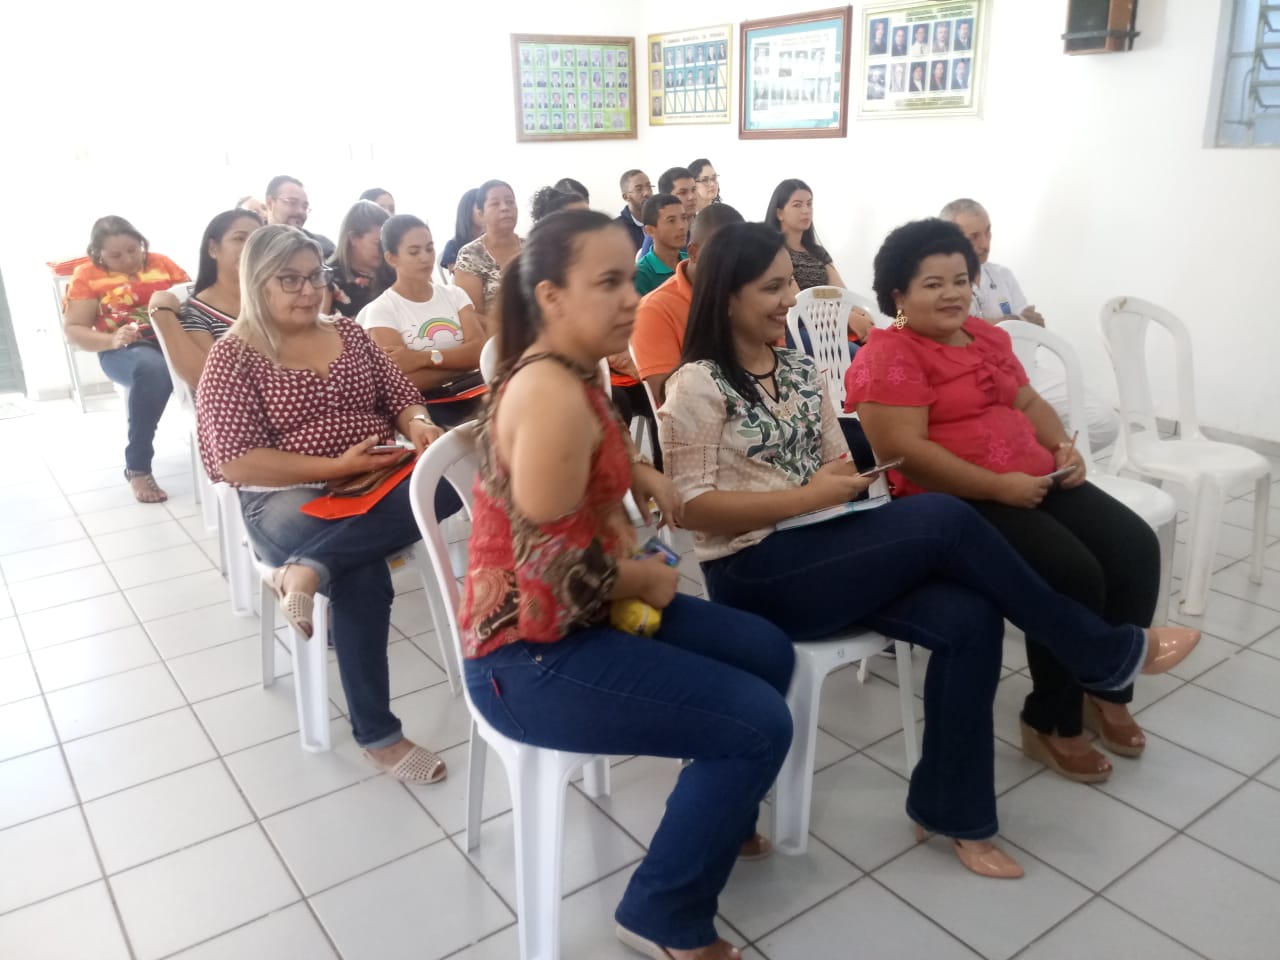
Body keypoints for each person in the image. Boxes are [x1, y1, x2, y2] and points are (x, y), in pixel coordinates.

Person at [659, 221, 1200, 880]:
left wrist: (849, 491)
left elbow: (837, 464)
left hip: (823, 545)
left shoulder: (799, 369)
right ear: (726, 298)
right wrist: (808, 499)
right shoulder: (698, 383)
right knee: (942, 516)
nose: (787, 300)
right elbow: (689, 509)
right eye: (771, 288)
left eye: (788, 284)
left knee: (970, 618)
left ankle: (953, 812)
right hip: (755, 569)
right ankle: (1103, 649)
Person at [459, 208, 795, 960]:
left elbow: (582, 486)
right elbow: (546, 581)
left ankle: (718, 813)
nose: (629, 299)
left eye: (628, 278)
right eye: (606, 282)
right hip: (527, 658)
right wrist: (642, 573)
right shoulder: (547, 394)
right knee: (758, 723)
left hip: (587, 620)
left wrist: (636, 468)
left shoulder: (578, 370)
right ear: (551, 296)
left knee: (767, 652)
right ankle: (661, 914)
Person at [847, 218, 1163, 781]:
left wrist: (1062, 446)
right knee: (1074, 573)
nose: (952, 293)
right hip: (954, 502)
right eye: (933, 283)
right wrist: (1000, 487)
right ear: (898, 294)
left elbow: (1030, 401)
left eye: (961, 279)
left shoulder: (987, 336)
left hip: (1033, 476)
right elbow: (905, 455)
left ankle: (1107, 689)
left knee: (1135, 546)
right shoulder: (887, 354)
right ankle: (1050, 721)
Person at [196, 224, 461, 783]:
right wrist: (335, 469)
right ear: (256, 282)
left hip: (374, 475)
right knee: (362, 573)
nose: (306, 290)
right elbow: (237, 462)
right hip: (284, 494)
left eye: (314, 276)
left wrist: (416, 426)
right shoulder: (233, 357)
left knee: (447, 481)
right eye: (288, 280)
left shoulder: (349, 333)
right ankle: (379, 736)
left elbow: (402, 397)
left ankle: (307, 568)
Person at [939, 198, 1120, 450]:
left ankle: (1047, 460)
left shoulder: (1002, 276)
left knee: (1105, 421)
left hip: (1022, 369)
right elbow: (939, 331)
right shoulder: (935, 282)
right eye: (973, 237)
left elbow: (1030, 331)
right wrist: (1008, 322)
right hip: (973, 381)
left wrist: (1009, 325)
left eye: (987, 231)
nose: (984, 244)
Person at [62, 216, 188, 503]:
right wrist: (112, 339)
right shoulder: (86, 275)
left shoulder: (163, 263)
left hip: (171, 342)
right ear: (98, 253)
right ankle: (138, 466)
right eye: (116, 255)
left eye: (134, 250)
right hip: (122, 351)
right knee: (153, 369)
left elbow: (192, 299)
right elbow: (73, 331)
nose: (129, 259)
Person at [359, 215, 486, 429]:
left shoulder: (454, 295)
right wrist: (461, 366)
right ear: (391, 258)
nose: (425, 258)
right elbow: (400, 383)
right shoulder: (382, 310)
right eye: (414, 251)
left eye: (429, 248)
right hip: (428, 408)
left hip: (476, 392)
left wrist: (421, 359)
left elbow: (479, 352)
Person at [632, 204, 743, 405]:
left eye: (741, 257)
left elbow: (774, 368)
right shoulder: (654, 309)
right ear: (693, 252)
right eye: (724, 256)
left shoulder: (746, 293)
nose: (734, 267)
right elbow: (672, 400)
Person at [148, 209, 262, 391]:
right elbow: (209, 380)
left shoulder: (273, 301)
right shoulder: (195, 314)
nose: (250, 247)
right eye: (240, 239)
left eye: (258, 240)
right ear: (213, 248)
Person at [454, 179, 522, 330]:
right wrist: (510, 332)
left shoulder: (531, 248)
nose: (505, 208)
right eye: (495, 203)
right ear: (480, 213)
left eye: (510, 202)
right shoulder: (470, 255)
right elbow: (471, 314)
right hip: (496, 339)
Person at [328, 200, 393, 320]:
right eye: (378, 243)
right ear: (353, 238)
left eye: (387, 244)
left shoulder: (393, 275)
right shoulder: (329, 281)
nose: (384, 250)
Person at [264, 175, 334, 260]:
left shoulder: (324, 247)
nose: (300, 211)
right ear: (270, 203)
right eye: (292, 203)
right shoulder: (252, 243)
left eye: (304, 207)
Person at [637, 167, 697, 260]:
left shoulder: (704, 225)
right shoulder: (657, 236)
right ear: (667, 198)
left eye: (694, 190)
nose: (692, 197)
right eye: (683, 192)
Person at [634, 195, 688, 297]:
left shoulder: (690, 263)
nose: (682, 226)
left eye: (684, 218)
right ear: (650, 230)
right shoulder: (641, 274)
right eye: (671, 221)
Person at [441, 187, 483, 277]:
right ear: (467, 210)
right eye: (480, 206)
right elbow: (458, 282)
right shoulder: (453, 245)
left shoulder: (494, 240)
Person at [615, 169, 653, 251]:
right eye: (639, 189)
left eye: (649, 187)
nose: (647, 193)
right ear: (626, 197)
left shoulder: (662, 220)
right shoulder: (616, 229)